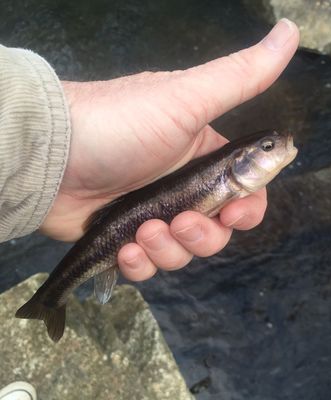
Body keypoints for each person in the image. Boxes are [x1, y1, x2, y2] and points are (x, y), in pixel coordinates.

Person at [0, 19, 299, 399]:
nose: (279, 146)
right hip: (104, 221)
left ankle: (49, 299)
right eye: (268, 148)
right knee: (131, 249)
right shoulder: (224, 182)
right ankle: (49, 299)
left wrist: (52, 147)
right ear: (238, 162)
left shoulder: (229, 181)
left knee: (136, 248)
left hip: (91, 208)